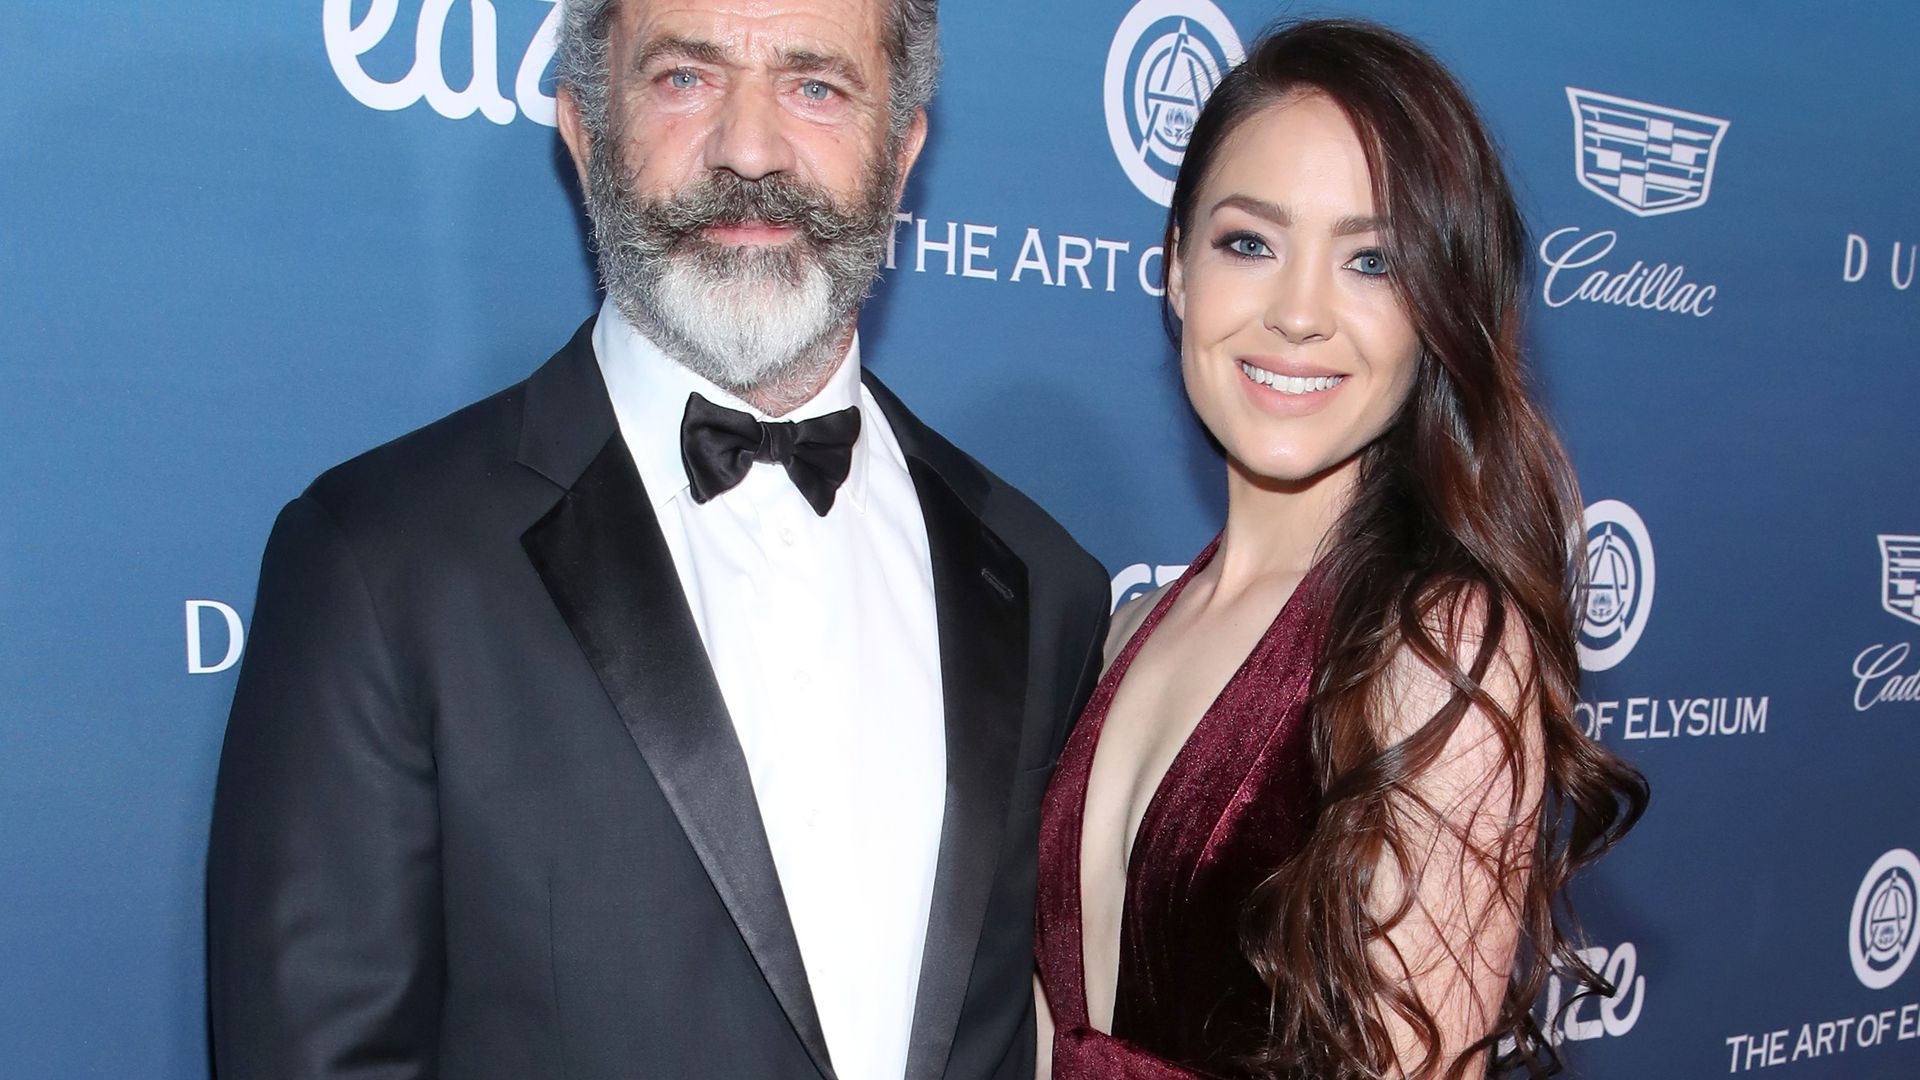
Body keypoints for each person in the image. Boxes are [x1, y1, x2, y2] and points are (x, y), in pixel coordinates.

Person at [206, 1, 1110, 1078]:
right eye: (686, 77)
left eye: (815, 86)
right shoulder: (380, 564)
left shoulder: (1041, 581)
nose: (749, 149)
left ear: (903, 150)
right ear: (586, 130)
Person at [1033, 20, 1647, 1080]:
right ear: (1176, 269)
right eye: (1249, 244)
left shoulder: (1441, 652)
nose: (1300, 313)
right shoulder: (1128, 631)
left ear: (1436, 313)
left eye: (1371, 261)